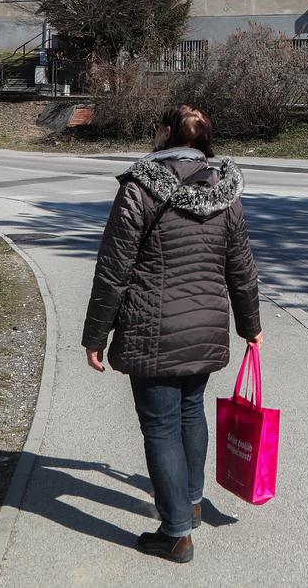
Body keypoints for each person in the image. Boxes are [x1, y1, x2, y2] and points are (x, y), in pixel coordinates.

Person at [83, 105, 262, 564]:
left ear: (165, 133)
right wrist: (251, 327)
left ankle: (177, 532)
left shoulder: (140, 187)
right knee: (190, 412)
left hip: (151, 328)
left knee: (161, 426)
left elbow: (114, 268)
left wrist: (96, 334)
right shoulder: (225, 192)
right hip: (204, 328)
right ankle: (193, 502)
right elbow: (241, 268)